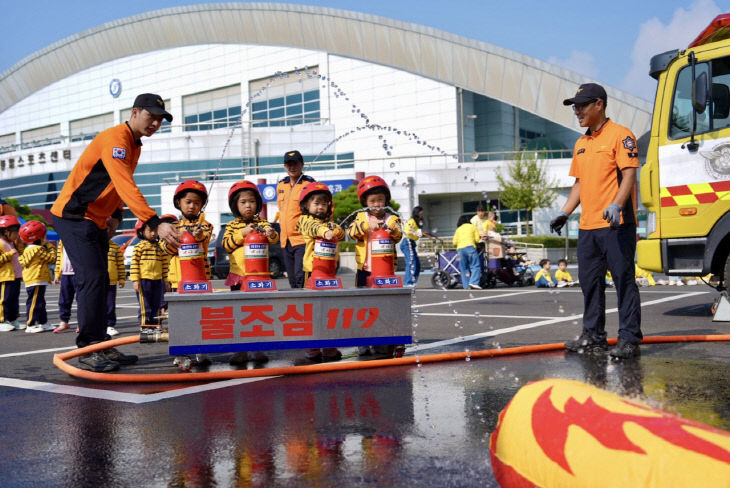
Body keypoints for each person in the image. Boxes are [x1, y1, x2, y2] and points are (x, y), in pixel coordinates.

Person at [51, 93, 179, 372]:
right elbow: (123, 183)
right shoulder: (115, 139)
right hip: (72, 216)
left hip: (95, 219)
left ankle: (101, 346)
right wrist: (154, 222)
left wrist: (117, 215)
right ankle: (88, 348)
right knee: (93, 278)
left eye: (160, 119)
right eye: (151, 116)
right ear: (135, 112)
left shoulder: (134, 145)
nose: (155, 123)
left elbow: (117, 185)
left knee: (101, 279)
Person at [550, 83, 642, 359]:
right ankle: (593, 337)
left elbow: (629, 175)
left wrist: (616, 204)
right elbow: (579, 183)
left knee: (624, 281)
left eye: (582, 106)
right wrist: (565, 212)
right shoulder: (581, 144)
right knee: (590, 283)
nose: (577, 111)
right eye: (574, 107)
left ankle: (628, 338)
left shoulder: (621, 136)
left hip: (616, 223)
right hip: (588, 226)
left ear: (599, 105)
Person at [222, 180, 278, 365]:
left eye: (252, 202)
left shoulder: (262, 223)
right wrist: (242, 234)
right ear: (235, 206)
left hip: (260, 278)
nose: (248, 205)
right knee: (239, 315)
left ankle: (258, 349)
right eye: (243, 202)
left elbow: (274, 240)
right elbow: (227, 245)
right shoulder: (232, 226)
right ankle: (240, 350)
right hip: (239, 277)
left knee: (258, 314)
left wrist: (271, 233)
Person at [347, 176, 403, 358]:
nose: (377, 204)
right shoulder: (361, 217)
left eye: (380, 200)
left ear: (386, 199)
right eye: (372, 201)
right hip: (365, 270)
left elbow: (399, 234)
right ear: (365, 202)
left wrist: (389, 229)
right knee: (364, 307)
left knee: (387, 307)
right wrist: (366, 225)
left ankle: (387, 342)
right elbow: (351, 232)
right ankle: (363, 342)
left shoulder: (392, 218)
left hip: (386, 272)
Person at [297, 182, 346, 363]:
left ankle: (329, 345)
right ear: (306, 206)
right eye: (316, 203)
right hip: (312, 273)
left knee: (329, 310)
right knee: (312, 311)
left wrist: (334, 230)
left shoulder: (329, 223)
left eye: (324, 204)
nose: (320, 207)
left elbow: (340, 233)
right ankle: (312, 347)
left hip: (329, 274)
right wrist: (325, 231)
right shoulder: (305, 220)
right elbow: (312, 228)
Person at [160, 181, 212, 292]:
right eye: (188, 202)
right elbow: (165, 248)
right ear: (178, 202)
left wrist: (199, 235)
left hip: (201, 278)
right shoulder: (172, 227)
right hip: (177, 280)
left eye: (197, 203)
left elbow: (205, 237)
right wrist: (178, 238)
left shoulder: (204, 225)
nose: (192, 206)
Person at [277, 150, 315, 288]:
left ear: (302, 165)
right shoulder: (281, 185)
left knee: (301, 277)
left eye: (295, 164)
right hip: (285, 241)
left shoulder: (309, 184)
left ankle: (307, 306)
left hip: (301, 239)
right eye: (289, 165)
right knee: (292, 280)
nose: (292, 168)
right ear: (285, 167)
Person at [18, 221, 56, 333]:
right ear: (39, 237)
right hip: (37, 279)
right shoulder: (38, 249)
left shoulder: (28, 249)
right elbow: (52, 258)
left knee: (39, 302)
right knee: (34, 302)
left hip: (33, 279)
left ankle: (43, 323)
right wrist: (48, 244)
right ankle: (30, 324)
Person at [400, 206, 436, 287]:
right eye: (420, 213)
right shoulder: (411, 220)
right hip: (407, 243)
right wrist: (420, 233)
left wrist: (427, 235)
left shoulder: (416, 222)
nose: (421, 215)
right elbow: (407, 231)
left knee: (417, 265)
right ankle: (407, 283)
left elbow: (416, 234)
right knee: (411, 263)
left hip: (411, 243)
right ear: (416, 212)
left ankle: (412, 282)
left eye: (422, 213)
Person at [0, 215, 23, 331]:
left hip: (15, 276)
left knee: (14, 299)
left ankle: (13, 320)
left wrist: (19, 246)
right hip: (5, 276)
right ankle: (2, 320)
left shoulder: (12, 243)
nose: (17, 234)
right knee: (5, 300)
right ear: (5, 232)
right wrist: (9, 254)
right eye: (15, 232)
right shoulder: (0, 243)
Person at [52, 240, 77, 333]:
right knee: (64, 300)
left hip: (79, 274)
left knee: (82, 300)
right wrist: (57, 273)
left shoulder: (79, 237)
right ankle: (64, 321)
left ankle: (82, 323)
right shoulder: (63, 241)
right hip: (66, 274)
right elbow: (59, 258)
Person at [453, 214, 482, 290]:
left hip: (460, 250)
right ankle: (474, 282)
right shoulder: (473, 227)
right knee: (475, 266)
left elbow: (454, 242)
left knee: (464, 268)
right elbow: (477, 240)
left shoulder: (458, 229)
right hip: (470, 248)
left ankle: (466, 286)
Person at [106, 229, 126, 336]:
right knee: (96, 304)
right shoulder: (94, 245)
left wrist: (122, 278)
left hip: (111, 281)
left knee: (110, 304)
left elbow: (120, 264)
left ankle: (110, 325)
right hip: (97, 282)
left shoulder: (115, 247)